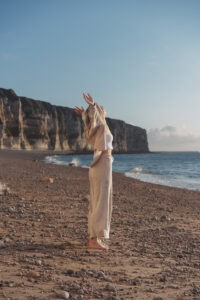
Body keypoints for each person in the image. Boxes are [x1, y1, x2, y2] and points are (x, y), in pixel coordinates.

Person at [74, 93, 114, 250]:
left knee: (97, 201)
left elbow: (96, 122)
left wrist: (91, 113)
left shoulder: (97, 129)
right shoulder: (100, 129)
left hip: (101, 164)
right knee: (101, 202)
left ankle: (94, 238)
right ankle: (94, 240)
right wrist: (93, 106)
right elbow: (98, 123)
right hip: (103, 164)